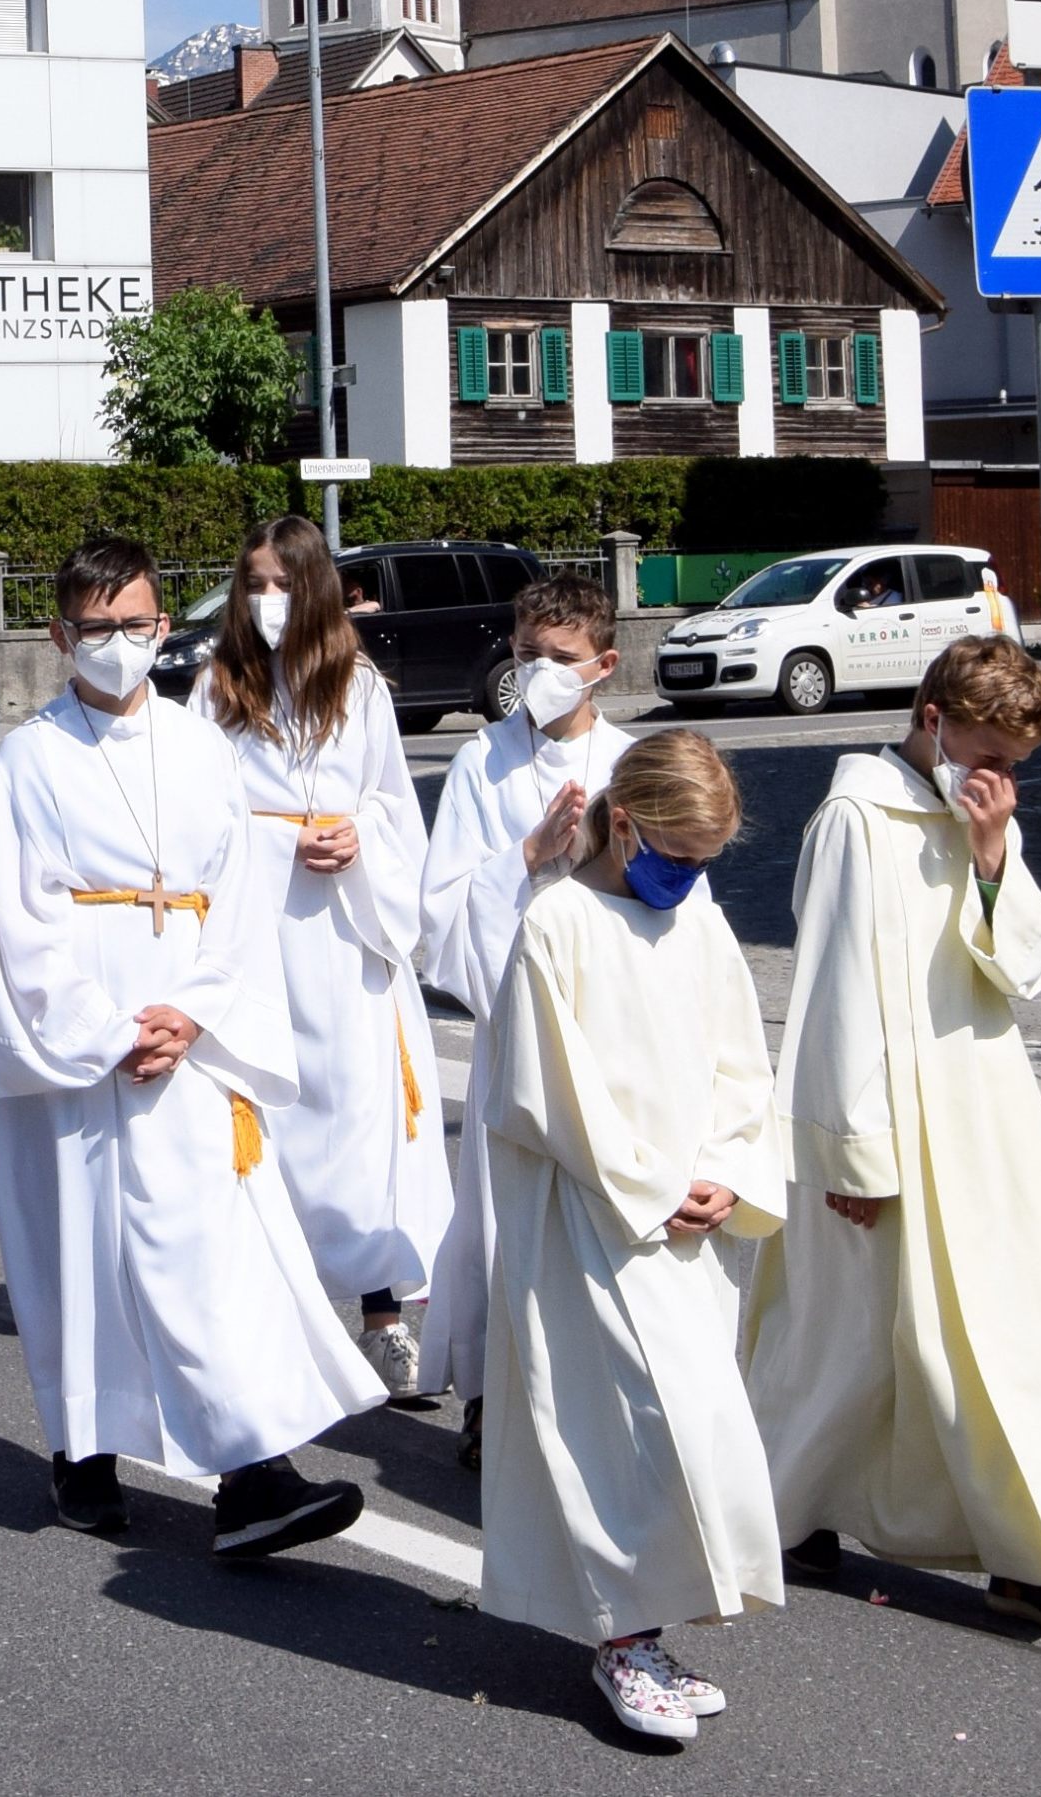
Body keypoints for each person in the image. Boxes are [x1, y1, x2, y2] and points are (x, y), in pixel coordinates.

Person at [0, 537, 384, 1553]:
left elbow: (237, 903)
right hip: (86, 1039)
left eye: (134, 625)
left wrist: (192, 1014)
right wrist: (107, 1031)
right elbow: (16, 922)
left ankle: (253, 1474)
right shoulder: (30, 756)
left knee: (203, 1244)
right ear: (60, 633)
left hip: (187, 1031)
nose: (116, 644)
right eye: (95, 628)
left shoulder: (202, 744)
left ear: (164, 627)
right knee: (83, 1247)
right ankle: (84, 1452)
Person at [743, 636, 1041, 1642]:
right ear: (934, 721)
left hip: (984, 1116)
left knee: (1018, 1333)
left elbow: (1028, 970)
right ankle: (786, 1511)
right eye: (991, 754)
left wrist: (995, 857)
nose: (1002, 778)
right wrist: (850, 1150)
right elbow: (832, 989)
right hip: (881, 1119)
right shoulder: (854, 818)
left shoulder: (974, 814)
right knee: (848, 1340)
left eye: (1016, 764)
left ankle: (1036, 1563)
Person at [479, 729, 782, 1748]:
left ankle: (645, 1635)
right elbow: (542, 1093)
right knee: (636, 1432)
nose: (689, 879)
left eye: (706, 864)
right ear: (625, 820)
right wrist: (655, 1186)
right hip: (592, 1217)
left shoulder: (698, 921)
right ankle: (621, 1645)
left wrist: (726, 1173)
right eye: (677, 856)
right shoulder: (559, 923)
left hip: (690, 1218)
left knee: (695, 1430)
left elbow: (743, 1064)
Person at [193, 514, 445, 1399]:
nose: (268, 600)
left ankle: (383, 1316)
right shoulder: (217, 686)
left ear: (318, 589)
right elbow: (195, 810)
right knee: (265, 1115)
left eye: (284, 583)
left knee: (357, 1118)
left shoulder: (361, 687)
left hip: (341, 930)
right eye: (254, 583)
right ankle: (276, 1318)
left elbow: (390, 804)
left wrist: (359, 841)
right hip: (256, 924)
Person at [413, 570, 633, 1458]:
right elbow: (443, 906)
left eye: (560, 657)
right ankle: (493, 1395)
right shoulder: (482, 759)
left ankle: (587, 1394)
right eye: (526, 652)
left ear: (603, 664)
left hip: (608, 1026)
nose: (539, 669)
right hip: (518, 1018)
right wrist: (530, 856)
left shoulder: (629, 762)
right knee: (506, 1217)